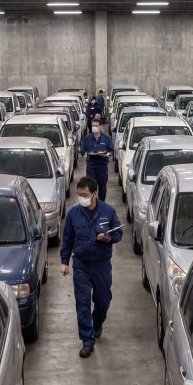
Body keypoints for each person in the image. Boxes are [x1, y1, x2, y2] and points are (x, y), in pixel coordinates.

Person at [60, 177, 123, 357]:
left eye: (85, 195)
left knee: (103, 301)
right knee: (82, 303)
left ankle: (97, 323)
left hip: (101, 264)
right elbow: (67, 239)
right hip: (81, 264)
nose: (82, 198)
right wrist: (64, 262)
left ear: (95, 193)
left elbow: (119, 233)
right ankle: (87, 341)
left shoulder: (108, 212)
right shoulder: (73, 214)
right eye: (79, 194)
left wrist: (108, 238)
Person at [80, 118, 113, 201]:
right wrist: (86, 154)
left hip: (102, 167)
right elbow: (82, 151)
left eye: (96, 126)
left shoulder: (106, 138)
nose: (94, 127)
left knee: (103, 188)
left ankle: (101, 204)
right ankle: (92, 203)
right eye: (93, 126)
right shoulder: (87, 138)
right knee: (91, 188)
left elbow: (111, 151)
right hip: (91, 166)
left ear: (100, 126)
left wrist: (106, 154)